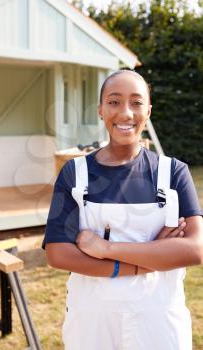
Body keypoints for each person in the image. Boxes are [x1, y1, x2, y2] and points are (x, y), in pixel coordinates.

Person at [43, 69, 203, 350]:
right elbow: (58, 253)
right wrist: (148, 259)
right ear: (101, 110)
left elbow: (194, 250)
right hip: (92, 323)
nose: (126, 113)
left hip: (158, 322)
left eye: (136, 102)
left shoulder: (173, 173)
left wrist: (105, 250)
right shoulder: (74, 173)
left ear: (149, 110)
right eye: (114, 102)